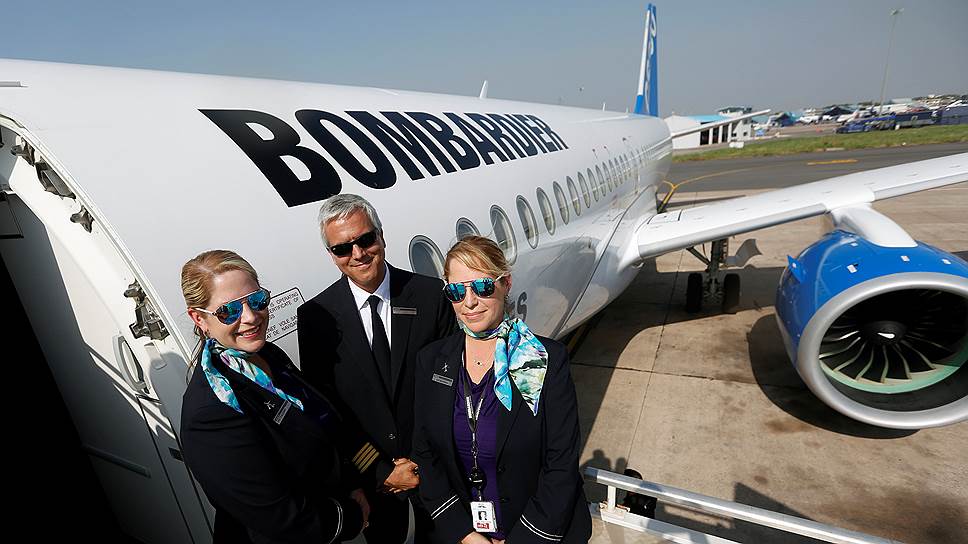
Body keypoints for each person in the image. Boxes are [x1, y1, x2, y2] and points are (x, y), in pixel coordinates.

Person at [179, 249, 369, 543]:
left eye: (257, 300)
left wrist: (353, 481)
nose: (251, 317)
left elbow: (319, 422)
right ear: (199, 318)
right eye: (229, 311)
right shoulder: (212, 411)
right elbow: (280, 518)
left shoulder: (267, 354)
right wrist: (353, 516)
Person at [297, 194, 456, 543]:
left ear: (381, 236)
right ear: (332, 255)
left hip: (435, 466)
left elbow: (448, 387)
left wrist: (420, 461)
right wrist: (381, 470)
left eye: (366, 239)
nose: (358, 254)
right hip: (374, 477)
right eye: (343, 248)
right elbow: (326, 411)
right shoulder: (315, 318)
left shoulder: (431, 296)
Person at [412, 236, 592, 544]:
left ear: (505, 283)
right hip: (465, 535)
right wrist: (465, 534)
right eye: (456, 291)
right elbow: (425, 453)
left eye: (482, 287)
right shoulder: (431, 361)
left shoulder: (544, 360)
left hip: (537, 534)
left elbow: (561, 462)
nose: (469, 302)